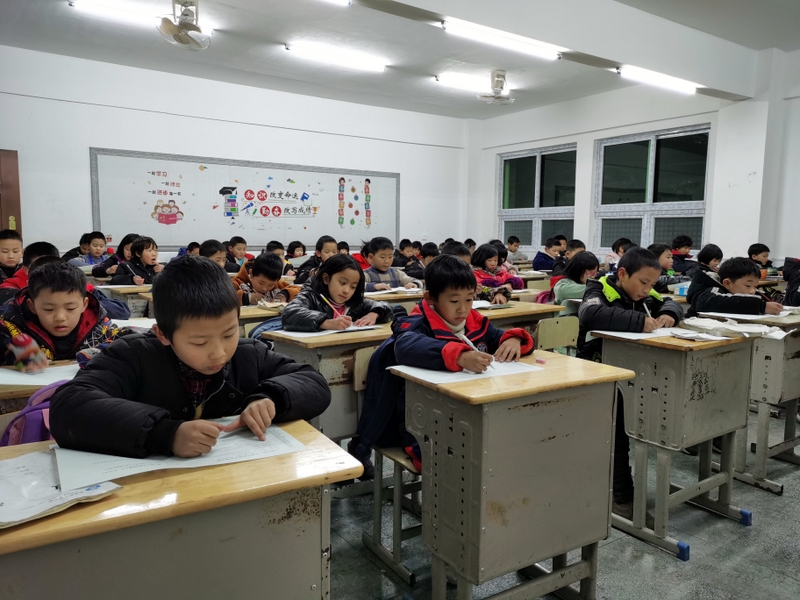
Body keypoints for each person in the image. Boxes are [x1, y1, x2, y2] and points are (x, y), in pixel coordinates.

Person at [49, 255, 331, 458]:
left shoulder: (248, 355)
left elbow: (313, 381)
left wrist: (270, 398)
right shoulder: (133, 356)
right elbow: (68, 408)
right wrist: (165, 434)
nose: (219, 352)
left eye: (229, 334)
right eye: (199, 342)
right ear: (163, 334)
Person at [347, 255, 534, 477]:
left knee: (499, 449)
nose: (463, 309)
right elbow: (405, 346)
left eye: (469, 299)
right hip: (422, 423)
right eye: (454, 301)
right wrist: (459, 356)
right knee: (458, 463)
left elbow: (498, 337)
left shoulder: (474, 321)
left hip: (465, 413)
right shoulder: (417, 324)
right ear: (431, 299)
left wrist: (514, 339)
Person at [577, 247, 682, 520]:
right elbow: (590, 315)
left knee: (645, 422)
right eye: (643, 282)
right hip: (599, 374)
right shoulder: (598, 290)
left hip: (635, 374)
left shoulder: (647, 294)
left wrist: (669, 313)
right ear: (622, 274)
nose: (647, 290)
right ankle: (621, 497)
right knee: (618, 433)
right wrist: (639, 322)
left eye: (652, 284)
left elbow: (670, 302)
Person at [0, 260, 121, 368]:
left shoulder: (99, 329)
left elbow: (127, 339)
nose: (60, 317)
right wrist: (9, 350)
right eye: (49, 309)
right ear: (32, 306)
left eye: (70, 308)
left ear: (84, 304)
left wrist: (102, 351)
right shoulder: (12, 328)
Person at [0, 246, 131, 318]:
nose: (47, 274)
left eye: (53, 268)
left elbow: (121, 311)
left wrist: (76, 304)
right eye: (49, 309)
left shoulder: (78, 287)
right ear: (26, 270)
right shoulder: (11, 288)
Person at [282, 254, 393, 332]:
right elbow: (289, 313)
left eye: (353, 287)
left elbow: (386, 307)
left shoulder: (354, 303)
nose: (347, 290)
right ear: (326, 279)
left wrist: (374, 314)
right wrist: (327, 323)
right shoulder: (311, 296)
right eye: (342, 283)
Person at [686, 257, 783, 318]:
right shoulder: (711, 291)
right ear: (727, 283)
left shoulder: (743, 290)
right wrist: (761, 306)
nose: (752, 291)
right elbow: (710, 302)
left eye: (755, 286)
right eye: (748, 285)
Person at [232, 253, 300, 306]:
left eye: (270, 285)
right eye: (261, 283)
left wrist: (284, 295)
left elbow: (299, 291)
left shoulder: (277, 285)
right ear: (251, 274)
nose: (264, 289)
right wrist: (247, 298)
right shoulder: (237, 282)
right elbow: (225, 296)